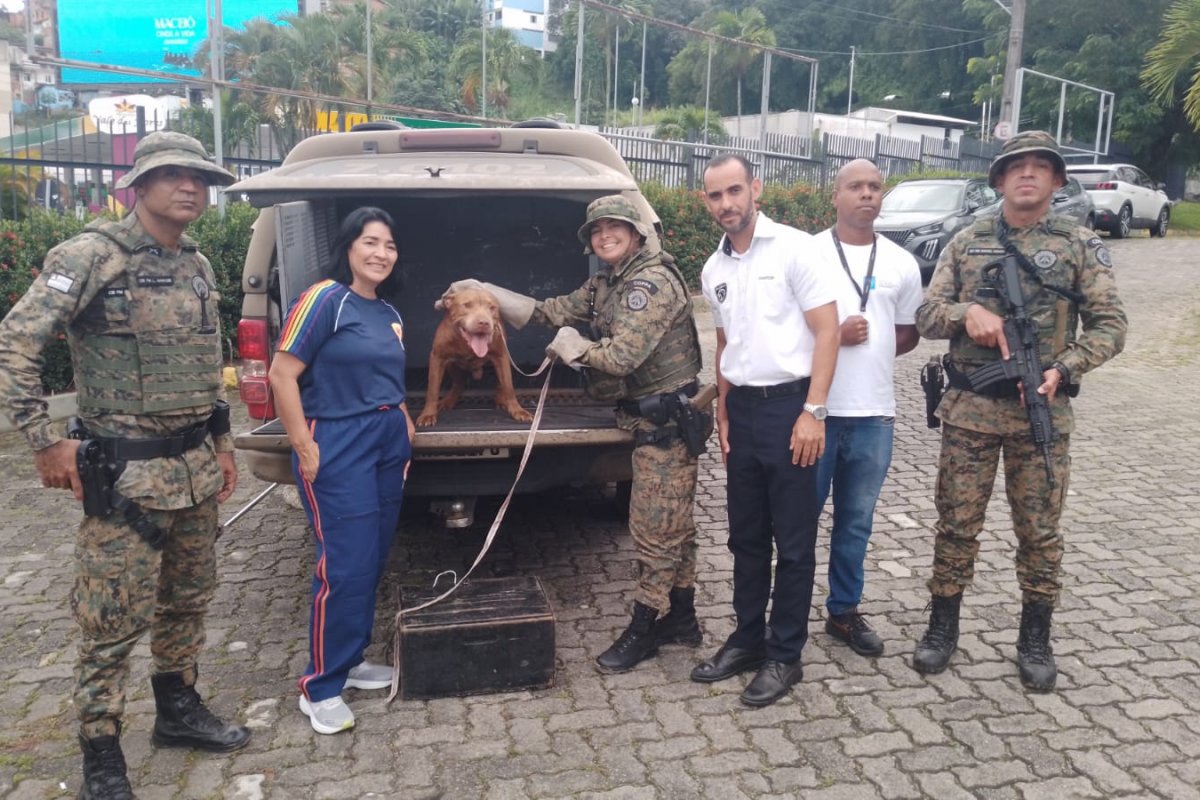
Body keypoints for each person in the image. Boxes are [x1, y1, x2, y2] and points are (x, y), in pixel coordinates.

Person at [0, 131, 250, 800]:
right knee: (110, 619)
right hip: (125, 480)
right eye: (172, 175)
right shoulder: (88, 255)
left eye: (198, 176)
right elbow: (14, 344)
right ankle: (101, 750)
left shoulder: (198, 265)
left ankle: (177, 709)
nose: (189, 186)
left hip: (195, 468)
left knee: (188, 601)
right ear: (138, 185)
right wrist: (42, 440)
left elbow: (206, 358)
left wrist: (223, 444)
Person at [443, 195, 706, 674]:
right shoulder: (607, 282)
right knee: (675, 527)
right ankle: (683, 619)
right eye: (597, 230)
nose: (605, 235)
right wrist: (489, 291)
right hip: (644, 418)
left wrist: (577, 350)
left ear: (636, 233)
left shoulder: (647, 283)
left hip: (666, 424)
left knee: (654, 531)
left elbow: (622, 358)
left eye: (615, 227)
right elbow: (550, 310)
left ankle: (646, 625)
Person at [912, 131, 1127, 691]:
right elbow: (927, 315)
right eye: (1016, 167)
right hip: (970, 413)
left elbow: (1111, 325)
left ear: (1057, 181)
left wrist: (1069, 366)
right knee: (956, 524)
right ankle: (942, 627)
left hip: (1042, 414)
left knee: (1039, 532)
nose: (1027, 174)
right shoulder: (967, 240)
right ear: (1000, 180)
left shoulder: (1080, 244)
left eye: (1040, 167)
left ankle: (1035, 636)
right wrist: (966, 314)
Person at [693, 153, 840, 707]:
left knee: (795, 543)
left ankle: (785, 656)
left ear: (756, 187)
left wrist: (815, 411)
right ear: (705, 201)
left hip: (791, 409)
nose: (727, 204)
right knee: (745, 536)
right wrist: (724, 414)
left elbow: (826, 334)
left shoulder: (798, 249)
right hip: (744, 414)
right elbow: (726, 346)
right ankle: (748, 639)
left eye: (735, 191)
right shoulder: (714, 270)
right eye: (715, 196)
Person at [269, 207, 416, 734]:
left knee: (371, 559)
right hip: (335, 441)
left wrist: (401, 414)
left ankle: (349, 661)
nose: (381, 253)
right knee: (345, 565)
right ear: (349, 246)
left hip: (384, 443)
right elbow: (281, 375)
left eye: (390, 245)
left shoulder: (388, 313)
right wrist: (303, 444)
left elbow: (383, 375)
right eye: (370, 241)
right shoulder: (323, 299)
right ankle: (320, 687)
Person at [811, 159, 923, 657]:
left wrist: (868, 347)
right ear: (835, 196)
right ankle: (785, 614)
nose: (867, 195)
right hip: (815, 413)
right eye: (855, 186)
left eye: (875, 187)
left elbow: (907, 332)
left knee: (856, 520)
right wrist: (836, 339)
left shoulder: (901, 262)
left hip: (875, 413)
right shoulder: (808, 255)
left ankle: (843, 613)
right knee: (798, 520)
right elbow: (788, 327)